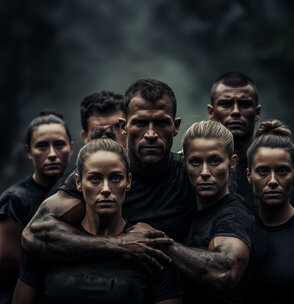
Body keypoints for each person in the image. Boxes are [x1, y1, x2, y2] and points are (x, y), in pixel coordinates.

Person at [21, 78, 195, 272]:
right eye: (140, 123)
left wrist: (157, 243)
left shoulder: (193, 175)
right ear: (123, 127)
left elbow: (223, 270)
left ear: (176, 126)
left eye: (161, 122)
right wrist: (118, 244)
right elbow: (33, 234)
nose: (151, 134)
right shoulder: (95, 176)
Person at [13, 135, 183, 304]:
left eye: (116, 178)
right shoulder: (47, 245)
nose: (106, 189)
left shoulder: (149, 250)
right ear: (78, 182)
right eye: (95, 179)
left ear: (128, 181)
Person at [163, 120, 255, 303]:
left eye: (214, 161)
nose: (205, 172)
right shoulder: (189, 210)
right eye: (195, 162)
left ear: (232, 162)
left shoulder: (234, 214)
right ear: (184, 163)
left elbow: (226, 271)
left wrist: (160, 244)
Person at [0, 110, 74, 303]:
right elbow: (11, 272)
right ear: (28, 151)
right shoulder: (14, 201)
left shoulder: (81, 190)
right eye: (42, 146)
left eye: (59, 144)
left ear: (71, 148)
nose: (51, 154)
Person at [244, 120, 294, 304]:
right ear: (249, 175)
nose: (273, 181)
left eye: (282, 171)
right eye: (262, 171)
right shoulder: (240, 232)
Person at [207, 71, 261, 213]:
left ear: (257, 113)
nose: (236, 111)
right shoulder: (192, 169)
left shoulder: (283, 169)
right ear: (211, 112)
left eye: (244, 104)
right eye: (226, 104)